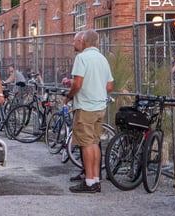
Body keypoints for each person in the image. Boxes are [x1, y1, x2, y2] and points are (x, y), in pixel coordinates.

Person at [64, 30, 114, 193]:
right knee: (94, 143)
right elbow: (109, 86)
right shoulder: (103, 59)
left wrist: (69, 96)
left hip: (85, 106)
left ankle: (89, 182)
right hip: (100, 106)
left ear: (84, 42)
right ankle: (95, 179)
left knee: (86, 144)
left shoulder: (82, 58)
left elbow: (77, 84)